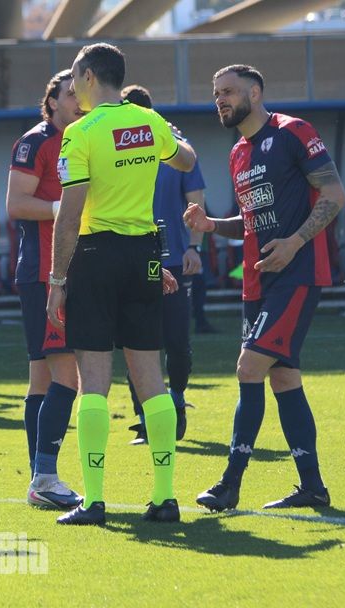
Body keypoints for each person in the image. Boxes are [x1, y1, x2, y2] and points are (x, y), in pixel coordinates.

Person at [184, 64, 345, 511]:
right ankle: (312, 488)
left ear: (255, 93)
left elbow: (334, 194)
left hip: (297, 274)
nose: (220, 100)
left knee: (248, 368)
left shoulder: (293, 131)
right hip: (257, 282)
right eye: (216, 93)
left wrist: (294, 242)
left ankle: (230, 484)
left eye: (229, 91)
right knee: (283, 377)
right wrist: (212, 225)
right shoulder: (238, 152)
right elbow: (251, 223)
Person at [47, 43, 196, 526]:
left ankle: (93, 501)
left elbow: (69, 217)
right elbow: (187, 160)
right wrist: (165, 134)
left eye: (74, 78)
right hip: (145, 255)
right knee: (151, 378)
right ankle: (165, 497)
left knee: (93, 381)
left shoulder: (81, 132)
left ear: (90, 76)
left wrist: (57, 280)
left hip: (96, 255)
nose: (72, 88)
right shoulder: (148, 122)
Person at [6, 69, 84, 510]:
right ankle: (46, 477)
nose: (77, 100)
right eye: (69, 94)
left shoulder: (85, 137)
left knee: (42, 378)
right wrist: (65, 207)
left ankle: (40, 475)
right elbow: (16, 204)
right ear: (51, 101)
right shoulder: (35, 141)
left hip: (67, 271)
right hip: (44, 273)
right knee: (66, 377)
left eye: (81, 92)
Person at [119, 84, 208, 445]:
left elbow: (195, 199)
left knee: (176, 340)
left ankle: (178, 398)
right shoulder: (114, 145)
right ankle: (144, 417)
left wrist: (195, 247)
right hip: (132, 258)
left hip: (171, 257)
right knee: (136, 338)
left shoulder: (175, 145)